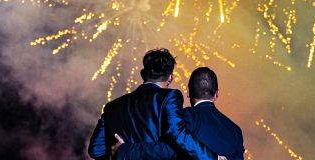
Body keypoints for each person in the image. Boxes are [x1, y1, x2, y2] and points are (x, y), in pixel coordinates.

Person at [88, 49, 226, 160]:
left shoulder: (112, 106)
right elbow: (177, 135)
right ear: (170, 78)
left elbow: (95, 150)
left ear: (143, 74)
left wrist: (119, 153)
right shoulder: (170, 97)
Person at [113, 67, 244, 160]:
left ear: (188, 92)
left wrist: (125, 150)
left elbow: (164, 150)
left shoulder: (184, 118)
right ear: (217, 94)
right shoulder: (235, 130)